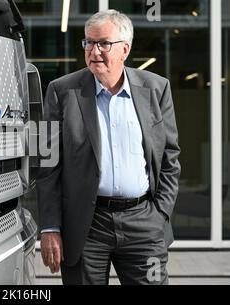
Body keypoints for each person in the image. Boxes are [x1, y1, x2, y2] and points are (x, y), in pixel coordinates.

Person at [36, 9, 180, 285]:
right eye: (89, 42)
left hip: (144, 223)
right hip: (85, 226)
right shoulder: (60, 90)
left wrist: (160, 213)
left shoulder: (157, 88)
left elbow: (170, 154)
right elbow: (47, 163)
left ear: (125, 49)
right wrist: (50, 226)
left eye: (104, 43)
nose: (94, 50)